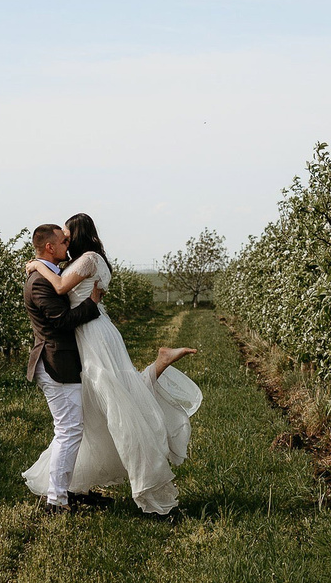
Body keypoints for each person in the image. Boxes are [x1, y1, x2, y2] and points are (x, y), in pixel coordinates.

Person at [20, 212, 201, 520]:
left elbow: (62, 287)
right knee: (101, 410)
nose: (65, 242)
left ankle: (145, 490)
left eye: (67, 237)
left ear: (76, 236)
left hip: (91, 336)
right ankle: (69, 488)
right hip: (88, 337)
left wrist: (37, 265)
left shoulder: (86, 259)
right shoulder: (88, 260)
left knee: (118, 406)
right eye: (60, 239)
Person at [23, 222, 108, 515]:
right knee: (69, 430)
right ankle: (56, 501)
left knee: (71, 430)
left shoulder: (51, 274)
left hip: (64, 361)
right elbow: (60, 321)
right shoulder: (39, 282)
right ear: (50, 246)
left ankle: (65, 493)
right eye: (63, 241)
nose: (67, 245)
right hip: (55, 362)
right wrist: (92, 302)